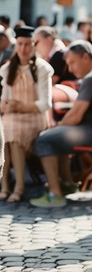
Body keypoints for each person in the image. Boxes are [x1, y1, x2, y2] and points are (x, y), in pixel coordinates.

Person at [29, 40, 92, 208]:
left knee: (44, 139)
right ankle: (67, 184)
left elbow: (76, 116)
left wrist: (57, 126)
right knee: (57, 137)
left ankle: (55, 194)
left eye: (72, 63)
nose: (70, 69)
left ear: (85, 56)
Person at [0, 26, 53, 203]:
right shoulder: (7, 69)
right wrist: (5, 106)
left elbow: (45, 104)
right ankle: (5, 184)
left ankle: (19, 187)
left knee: (12, 133)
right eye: (20, 44)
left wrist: (21, 106)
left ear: (34, 45)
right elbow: (4, 97)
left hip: (34, 118)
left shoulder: (42, 69)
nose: (23, 49)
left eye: (27, 44)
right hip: (11, 117)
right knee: (4, 132)